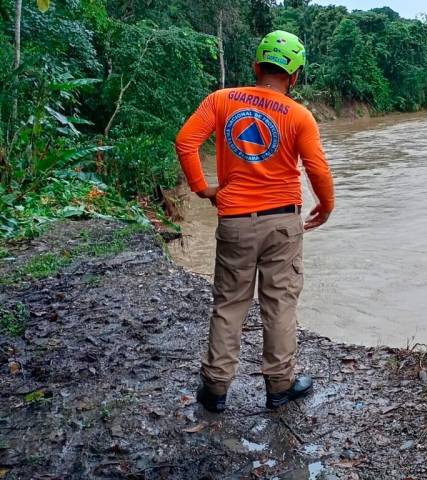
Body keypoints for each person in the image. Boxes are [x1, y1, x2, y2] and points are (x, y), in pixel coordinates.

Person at [175, 31, 335, 412]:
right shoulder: (299, 115)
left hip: (234, 220)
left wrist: (203, 189)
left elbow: (185, 142)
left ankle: (215, 389)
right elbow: (317, 168)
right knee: (279, 303)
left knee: (229, 303)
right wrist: (325, 207)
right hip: (283, 223)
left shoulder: (222, 100)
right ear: (294, 76)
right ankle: (280, 386)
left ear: (255, 67)